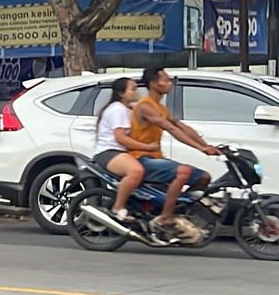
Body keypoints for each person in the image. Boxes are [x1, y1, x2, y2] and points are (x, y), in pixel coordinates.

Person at [130, 67, 218, 237]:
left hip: (155, 158)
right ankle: (165, 218)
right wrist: (201, 149)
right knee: (183, 171)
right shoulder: (145, 106)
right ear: (154, 84)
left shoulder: (161, 108)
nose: (169, 83)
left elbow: (181, 127)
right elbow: (170, 128)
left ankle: (176, 208)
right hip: (140, 158)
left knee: (203, 177)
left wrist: (208, 146)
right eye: (166, 80)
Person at [92, 77, 154, 219]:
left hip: (121, 152)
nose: (136, 92)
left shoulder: (128, 109)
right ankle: (117, 207)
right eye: (132, 89)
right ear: (121, 93)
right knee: (136, 171)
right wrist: (147, 147)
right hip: (108, 153)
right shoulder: (117, 109)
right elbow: (121, 138)